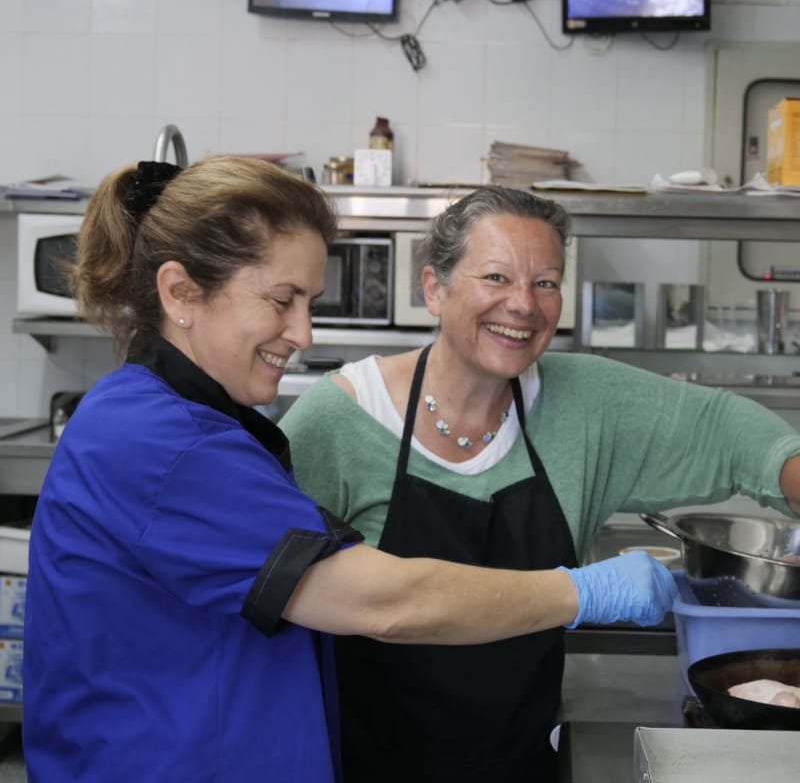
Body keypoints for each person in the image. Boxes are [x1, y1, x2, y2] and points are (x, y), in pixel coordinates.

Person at [22, 159, 677, 783]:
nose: (304, 332)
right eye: (282, 300)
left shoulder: (183, 420)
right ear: (180, 292)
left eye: (309, 301)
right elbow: (388, 602)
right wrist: (585, 593)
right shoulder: (164, 446)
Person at [279, 185, 800, 782]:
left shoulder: (584, 404)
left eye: (545, 282)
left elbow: (733, 433)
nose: (523, 304)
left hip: (520, 761)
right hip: (366, 763)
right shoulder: (339, 421)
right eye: (497, 277)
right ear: (433, 289)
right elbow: (276, 600)